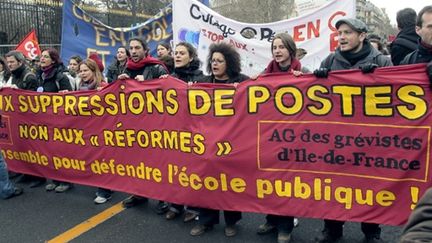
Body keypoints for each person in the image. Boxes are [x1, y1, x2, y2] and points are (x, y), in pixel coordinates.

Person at [313, 18, 392, 243]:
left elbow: (397, 96)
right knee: (335, 184)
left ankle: (371, 232)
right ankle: (333, 229)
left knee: (369, 186)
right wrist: (316, 80)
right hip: (337, 139)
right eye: (340, 33)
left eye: (348, 32)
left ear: (362, 35)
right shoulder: (330, 60)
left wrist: (379, 78)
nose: (342, 37)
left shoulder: (382, 60)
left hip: (370, 139)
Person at [189, 42, 248, 237]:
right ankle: (206, 221)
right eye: (213, 60)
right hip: (207, 144)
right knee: (207, 184)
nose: (215, 64)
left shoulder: (241, 81)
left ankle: (231, 222)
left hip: (232, 144)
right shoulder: (203, 83)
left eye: (219, 61)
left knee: (229, 184)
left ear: (228, 63)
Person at [255, 33, 301, 243]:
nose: (277, 51)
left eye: (282, 47)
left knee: (287, 182)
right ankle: (271, 219)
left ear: (290, 50)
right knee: (270, 180)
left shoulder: (302, 73)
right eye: (275, 47)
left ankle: (285, 226)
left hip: (292, 137)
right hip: (270, 136)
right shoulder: (265, 75)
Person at [118, 37, 169, 213]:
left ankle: (164, 198)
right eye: (131, 48)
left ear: (145, 50)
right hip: (134, 124)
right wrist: (121, 83)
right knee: (136, 162)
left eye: (137, 48)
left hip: (155, 125)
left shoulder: (157, 67)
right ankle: (139, 193)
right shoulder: (127, 68)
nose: (133, 51)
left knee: (159, 163)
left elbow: (168, 95)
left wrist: (146, 84)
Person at [163, 42, 204, 222]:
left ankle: (194, 206)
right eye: (176, 53)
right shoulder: (168, 78)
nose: (177, 56)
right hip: (174, 132)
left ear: (191, 57)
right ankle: (176, 204)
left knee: (193, 170)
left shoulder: (201, 78)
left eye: (182, 53)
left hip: (194, 131)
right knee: (175, 169)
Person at [37, 48, 73, 193]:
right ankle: (54, 178)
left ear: (53, 60)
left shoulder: (60, 77)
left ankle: (66, 180)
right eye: (41, 56)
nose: (42, 58)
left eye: (46, 57)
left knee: (60, 151)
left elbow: (71, 98)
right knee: (48, 151)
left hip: (59, 120)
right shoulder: (39, 76)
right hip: (44, 120)